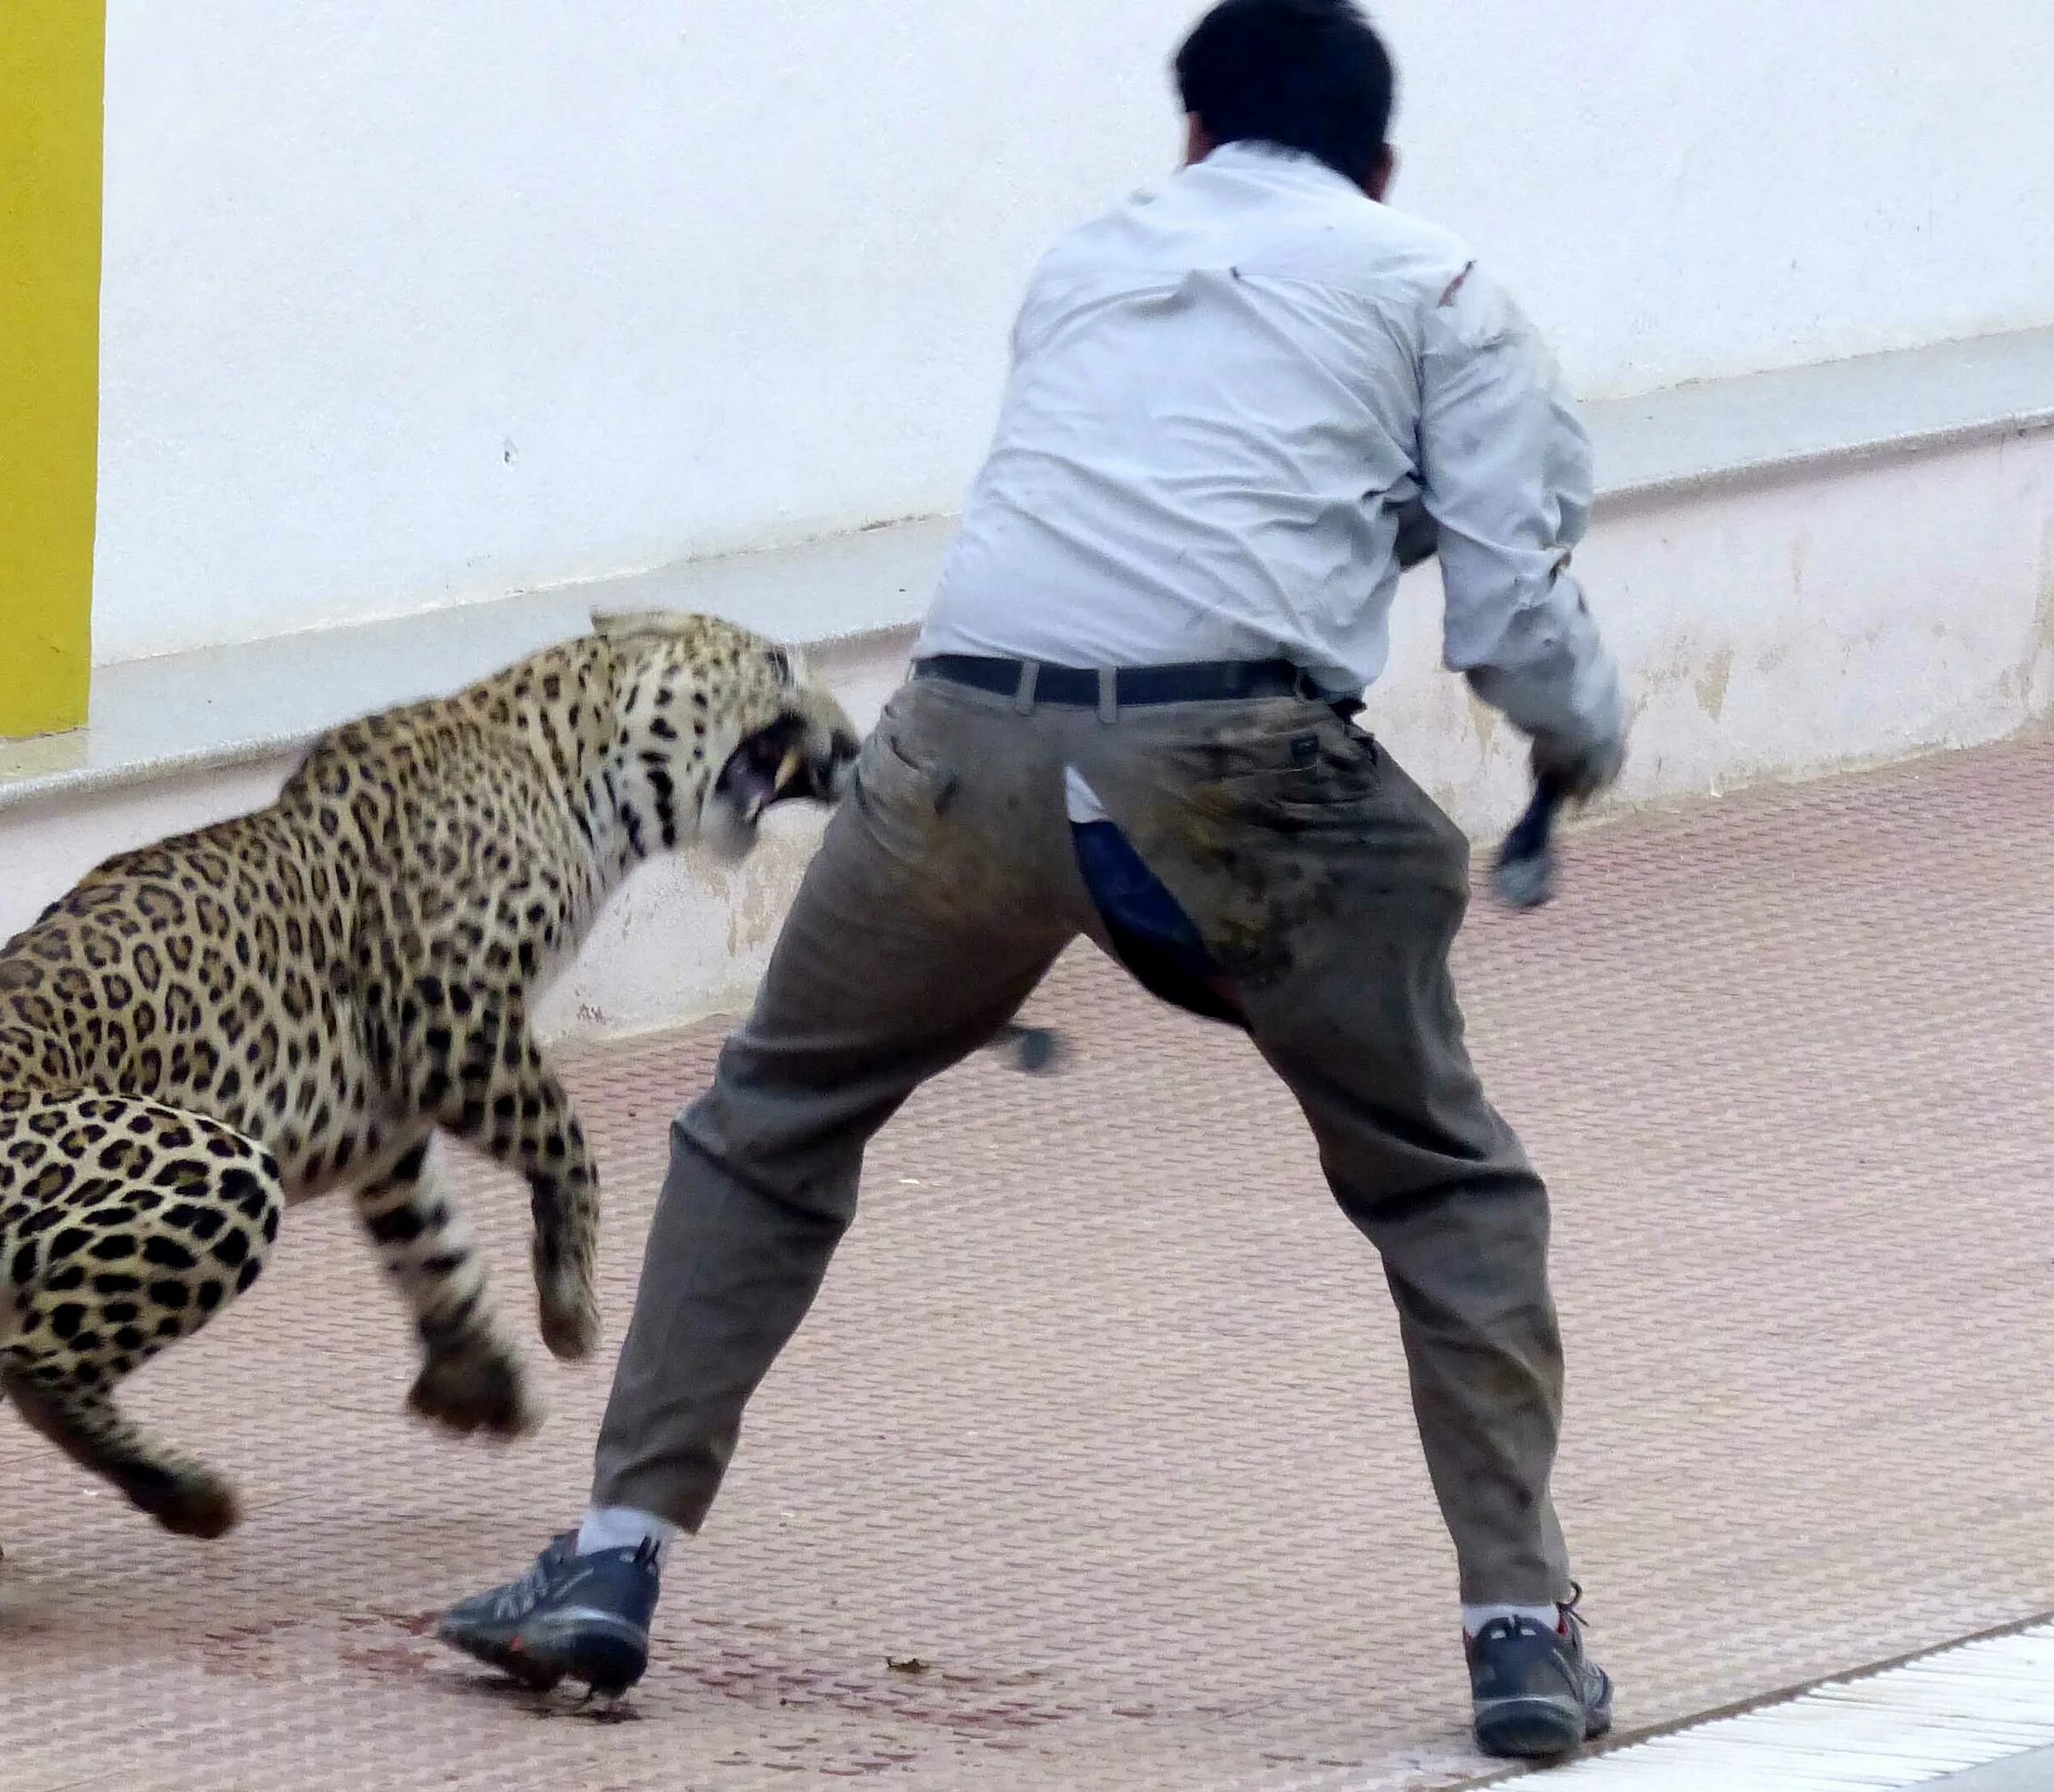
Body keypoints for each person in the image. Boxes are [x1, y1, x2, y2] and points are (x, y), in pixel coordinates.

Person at [437, 0, 1627, 1760]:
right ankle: (1520, 1635)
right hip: (1241, 779)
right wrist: (1576, 744)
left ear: (1194, 137)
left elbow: (1146, 500)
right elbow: (1515, 616)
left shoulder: (1087, 264)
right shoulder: (1442, 286)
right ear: (1380, 161)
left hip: (958, 751)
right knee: (1447, 1189)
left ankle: (612, 1562)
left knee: (766, 1127)